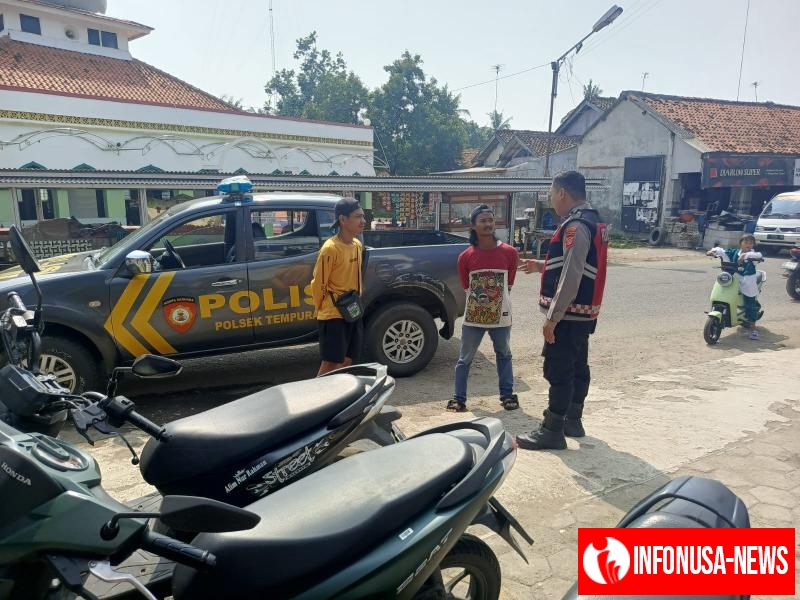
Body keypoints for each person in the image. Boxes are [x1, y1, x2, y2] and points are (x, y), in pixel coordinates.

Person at [516, 171, 608, 449]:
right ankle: (572, 419)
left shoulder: (576, 225)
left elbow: (572, 273)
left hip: (568, 313)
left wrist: (552, 317)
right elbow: (577, 263)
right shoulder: (594, 220)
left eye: (551, 193)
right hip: (584, 312)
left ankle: (552, 428)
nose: (551, 199)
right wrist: (541, 265)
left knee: (559, 369)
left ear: (563, 193)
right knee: (578, 365)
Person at [447, 204, 520, 413]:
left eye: (491, 220)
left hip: (502, 317)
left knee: (504, 354)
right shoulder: (465, 257)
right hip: (473, 318)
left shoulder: (509, 253)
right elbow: (467, 287)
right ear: (473, 225)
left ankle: (507, 395)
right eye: (483, 221)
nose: (488, 224)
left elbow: (509, 286)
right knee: (464, 359)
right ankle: (458, 398)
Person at [310, 197, 366, 376]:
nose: (363, 221)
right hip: (333, 314)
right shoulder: (330, 249)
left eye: (363, 216)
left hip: (352, 310)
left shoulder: (357, 245)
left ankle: (336, 395)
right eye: (358, 217)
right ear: (343, 220)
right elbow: (318, 283)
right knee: (330, 363)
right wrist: (321, 309)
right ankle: (313, 399)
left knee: (348, 358)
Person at [706, 234, 763, 340]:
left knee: (749, 302)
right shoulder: (734, 252)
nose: (748, 244)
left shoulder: (753, 254)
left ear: (753, 245)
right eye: (745, 242)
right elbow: (721, 251)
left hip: (747, 280)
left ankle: (752, 328)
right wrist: (713, 251)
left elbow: (758, 256)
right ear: (740, 243)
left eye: (750, 243)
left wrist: (746, 256)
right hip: (732, 279)